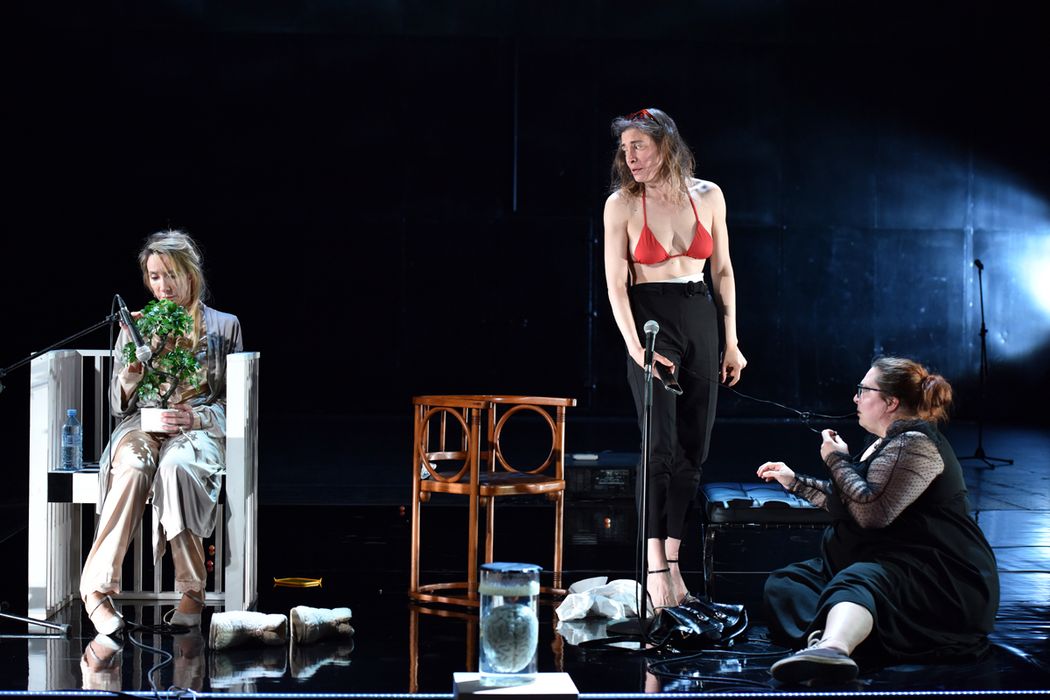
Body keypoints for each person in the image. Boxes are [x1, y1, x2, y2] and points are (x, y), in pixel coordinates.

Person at [756, 357, 999, 685]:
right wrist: (794, 481)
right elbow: (851, 501)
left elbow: (871, 514)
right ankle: (845, 635)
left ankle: (833, 647)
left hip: (935, 575)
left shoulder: (915, 444)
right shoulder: (887, 443)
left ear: (891, 402)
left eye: (863, 390)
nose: (855, 398)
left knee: (857, 580)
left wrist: (836, 459)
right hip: (886, 562)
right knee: (787, 583)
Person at [603, 107, 746, 609]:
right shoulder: (622, 204)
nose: (630, 157)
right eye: (625, 149)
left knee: (692, 449)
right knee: (658, 448)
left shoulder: (709, 195)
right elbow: (615, 286)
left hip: (700, 316)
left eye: (638, 146)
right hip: (649, 323)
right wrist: (636, 348)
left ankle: (674, 560)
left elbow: (723, 271)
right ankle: (653, 569)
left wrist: (731, 340)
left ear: (665, 144)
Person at [81, 230, 243, 635]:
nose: (163, 286)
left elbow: (236, 402)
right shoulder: (136, 327)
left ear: (190, 274)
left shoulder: (224, 327)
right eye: (154, 276)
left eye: (170, 275)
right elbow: (118, 405)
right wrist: (132, 371)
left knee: (177, 468)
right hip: (143, 425)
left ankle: (192, 591)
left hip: (196, 429)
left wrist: (197, 419)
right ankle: (96, 588)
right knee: (134, 467)